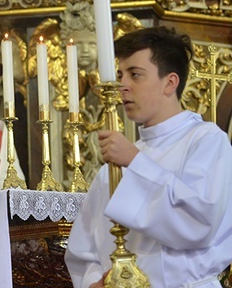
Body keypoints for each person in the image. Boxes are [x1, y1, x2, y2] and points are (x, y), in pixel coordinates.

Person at [65, 27, 232, 288]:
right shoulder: (117, 162)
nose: (123, 86)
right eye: (120, 75)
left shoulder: (206, 140)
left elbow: (198, 223)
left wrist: (135, 162)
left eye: (135, 75)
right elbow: (85, 251)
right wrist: (94, 282)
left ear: (170, 82)